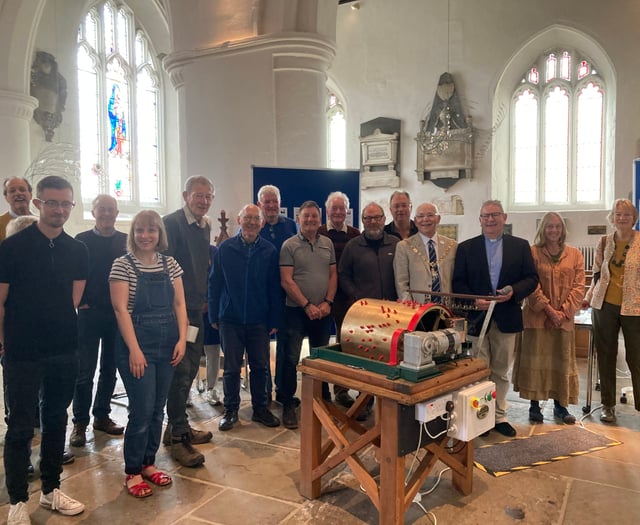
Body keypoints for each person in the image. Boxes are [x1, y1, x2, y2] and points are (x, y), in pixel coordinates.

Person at [0, 175, 88, 523]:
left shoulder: (77, 250)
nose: (60, 210)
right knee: (20, 426)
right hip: (22, 349)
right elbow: (1, 300)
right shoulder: (12, 247)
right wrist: (5, 340)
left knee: (55, 420)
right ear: (37, 204)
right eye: (53, 203)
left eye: (66, 203)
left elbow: (74, 298)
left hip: (63, 347)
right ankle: (18, 501)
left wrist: (56, 323)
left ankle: (51, 491)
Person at [110, 210, 188, 498]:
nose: (146, 236)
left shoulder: (170, 264)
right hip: (136, 346)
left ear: (160, 234)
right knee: (141, 411)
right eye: (140, 230)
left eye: (151, 230)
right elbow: (121, 310)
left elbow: (179, 304)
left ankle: (148, 463)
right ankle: (132, 470)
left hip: (168, 343)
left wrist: (182, 339)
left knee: (157, 409)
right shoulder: (122, 265)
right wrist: (134, 350)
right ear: (133, 234)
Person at [452, 200, 538, 437]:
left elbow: (531, 279)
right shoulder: (466, 248)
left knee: (500, 371)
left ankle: (499, 416)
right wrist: (472, 300)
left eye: (495, 215)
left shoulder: (520, 246)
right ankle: (480, 416)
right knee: (478, 370)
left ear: (504, 217)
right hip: (476, 319)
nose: (490, 220)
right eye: (486, 216)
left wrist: (513, 291)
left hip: (506, 317)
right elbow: (458, 282)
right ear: (479, 220)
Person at [209, 204, 282, 431]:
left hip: (259, 320)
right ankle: (231, 411)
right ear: (239, 220)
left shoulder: (269, 250)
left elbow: (274, 288)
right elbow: (214, 283)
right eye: (247, 218)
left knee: (260, 367)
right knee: (231, 368)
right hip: (229, 319)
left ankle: (260, 408)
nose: (251, 222)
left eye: (255, 219)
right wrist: (214, 313)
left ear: (261, 223)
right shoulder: (225, 249)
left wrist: (274, 319)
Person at [513, 212, 585, 424]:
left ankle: (560, 406)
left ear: (563, 229)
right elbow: (530, 283)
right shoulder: (532, 253)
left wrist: (563, 312)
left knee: (560, 361)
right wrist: (548, 310)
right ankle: (534, 406)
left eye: (557, 227)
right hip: (536, 317)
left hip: (563, 321)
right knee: (536, 359)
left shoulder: (575, 254)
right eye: (549, 227)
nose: (554, 230)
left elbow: (579, 286)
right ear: (542, 229)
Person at [162, 175, 214, 467]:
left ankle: (176, 427)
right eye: (199, 195)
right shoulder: (171, 224)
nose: (204, 201)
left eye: (208, 196)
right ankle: (178, 437)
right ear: (186, 195)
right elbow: (165, 268)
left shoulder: (203, 226)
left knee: (191, 367)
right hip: (177, 312)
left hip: (196, 310)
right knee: (181, 372)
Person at [70, 195, 127, 447]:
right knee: (84, 372)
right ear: (93, 212)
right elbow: (70, 274)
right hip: (89, 314)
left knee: (109, 368)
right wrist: (78, 300)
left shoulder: (125, 241)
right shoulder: (81, 241)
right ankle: (79, 424)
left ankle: (101, 416)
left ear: (116, 213)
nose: (106, 214)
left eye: (111, 210)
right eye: (101, 209)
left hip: (117, 314)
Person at [279, 201, 336, 429]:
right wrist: (306, 305)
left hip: (322, 311)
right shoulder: (289, 245)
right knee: (290, 358)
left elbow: (333, 275)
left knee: (321, 358)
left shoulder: (327, 244)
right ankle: (287, 403)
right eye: (306, 217)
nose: (310, 220)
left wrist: (328, 302)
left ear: (320, 220)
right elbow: (286, 280)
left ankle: (322, 399)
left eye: (314, 216)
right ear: (299, 220)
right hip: (295, 311)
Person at [585, 198, 640, 423]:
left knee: (636, 357)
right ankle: (608, 404)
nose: (622, 217)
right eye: (618, 213)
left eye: (626, 214)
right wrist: (588, 298)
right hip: (604, 305)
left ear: (634, 217)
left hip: (634, 306)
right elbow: (597, 273)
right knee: (606, 355)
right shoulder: (604, 241)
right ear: (612, 217)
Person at [318, 191, 360, 407]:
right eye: (333, 208)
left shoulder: (355, 235)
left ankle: (342, 390)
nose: (337, 212)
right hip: (320, 298)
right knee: (322, 344)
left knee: (344, 344)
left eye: (341, 208)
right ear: (327, 211)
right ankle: (321, 390)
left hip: (345, 300)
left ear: (347, 211)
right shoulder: (318, 233)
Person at [257, 184, 297, 405]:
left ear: (279, 203)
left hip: (286, 298)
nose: (271, 206)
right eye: (267, 201)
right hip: (261, 298)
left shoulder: (291, 226)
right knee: (261, 351)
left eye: (274, 201)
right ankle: (263, 395)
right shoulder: (253, 226)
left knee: (286, 349)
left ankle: (284, 393)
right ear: (259, 204)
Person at [394, 202, 457, 304]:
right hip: (417, 310)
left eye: (430, 215)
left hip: (447, 309)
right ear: (415, 221)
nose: (425, 219)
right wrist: (410, 309)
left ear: (438, 219)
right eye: (420, 216)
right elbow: (401, 284)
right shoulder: (404, 247)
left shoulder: (452, 246)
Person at [0, 177, 33, 242]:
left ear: (30, 195)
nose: (18, 193)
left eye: (22, 190)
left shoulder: (42, 222)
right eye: (12, 191)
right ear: (6, 198)